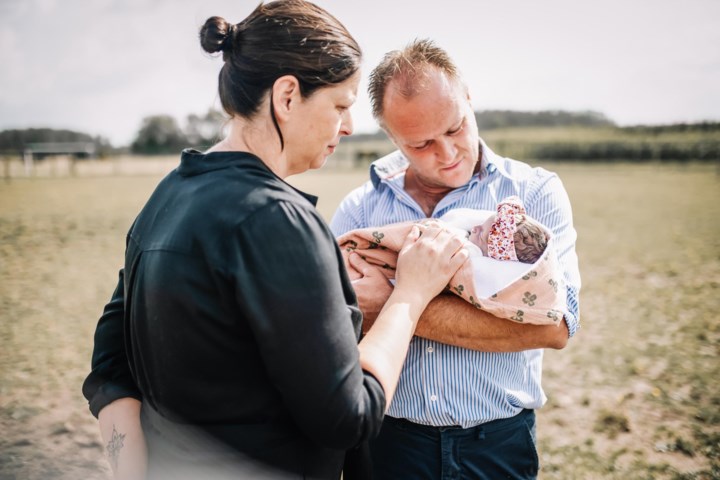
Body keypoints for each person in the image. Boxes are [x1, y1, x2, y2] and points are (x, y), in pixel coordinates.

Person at [81, 5, 468, 479]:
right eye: (340, 106)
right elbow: (350, 417)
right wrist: (410, 294)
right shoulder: (278, 219)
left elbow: (109, 362)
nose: (347, 128)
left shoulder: (169, 195)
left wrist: (132, 473)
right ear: (287, 96)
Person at [330, 39, 581, 479]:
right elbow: (336, 323)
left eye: (454, 128)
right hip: (387, 445)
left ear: (468, 99)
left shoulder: (535, 193)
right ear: (391, 138)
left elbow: (557, 326)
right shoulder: (358, 211)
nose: (446, 155)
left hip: (498, 444)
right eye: (421, 143)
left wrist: (395, 305)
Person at [336, 195, 566, 326]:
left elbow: (558, 331)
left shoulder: (472, 258)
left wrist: (392, 302)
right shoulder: (358, 202)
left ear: (494, 253)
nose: (475, 227)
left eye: (482, 234)